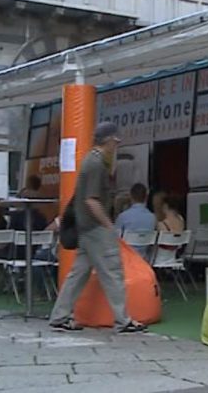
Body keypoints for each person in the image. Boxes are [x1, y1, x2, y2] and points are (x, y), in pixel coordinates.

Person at [49, 122, 146, 334]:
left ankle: (60, 316)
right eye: (115, 140)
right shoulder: (94, 165)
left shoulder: (93, 161)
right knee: (113, 272)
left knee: (79, 273)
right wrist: (109, 225)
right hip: (96, 227)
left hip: (86, 227)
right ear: (108, 140)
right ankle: (123, 320)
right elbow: (92, 200)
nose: (117, 144)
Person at [115, 183, 156, 258]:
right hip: (143, 259)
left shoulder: (123, 216)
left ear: (130, 196)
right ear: (146, 197)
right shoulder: (152, 217)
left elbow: (115, 239)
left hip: (126, 258)